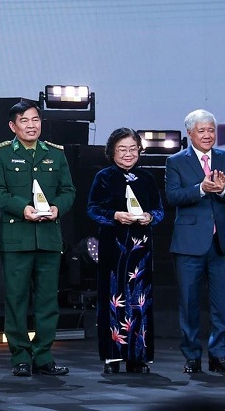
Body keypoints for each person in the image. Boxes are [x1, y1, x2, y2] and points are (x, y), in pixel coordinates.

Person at [0, 99, 76, 377]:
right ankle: (20, 357)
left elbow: (68, 191)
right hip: (17, 237)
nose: (31, 125)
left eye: (35, 119)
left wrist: (57, 208)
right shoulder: (0, 153)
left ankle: (44, 356)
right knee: (16, 300)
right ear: (12, 126)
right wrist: (22, 208)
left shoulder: (55, 154)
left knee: (48, 301)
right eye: (24, 120)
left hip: (48, 237)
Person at [166, 109, 225, 375]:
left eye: (211, 130)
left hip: (221, 242)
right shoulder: (175, 162)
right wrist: (201, 189)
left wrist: (223, 190)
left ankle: (219, 355)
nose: (207, 135)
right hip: (189, 243)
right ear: (190, 134)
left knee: (221, 304)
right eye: (201, 130)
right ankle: (192, 356)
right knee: (189, 303)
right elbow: (173, 196)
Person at [86, 127, 164, 374]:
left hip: (141, 249)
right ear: (112, 152)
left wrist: (150, 216)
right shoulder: (104, 177)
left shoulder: (147, 178)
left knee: (140, 299)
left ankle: (138, 357)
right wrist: (115, 215)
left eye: (132, 149)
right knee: (113, 298)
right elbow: (93, 209)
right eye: (122, 149)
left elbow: (159, 210)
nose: (128, 154)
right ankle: (112, 357)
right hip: (114, 248)